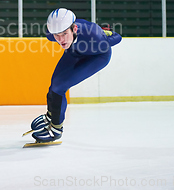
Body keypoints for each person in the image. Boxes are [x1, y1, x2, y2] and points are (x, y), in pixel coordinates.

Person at [30, 8, 122, 142]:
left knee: (60, 87)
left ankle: (56, 129)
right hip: (74, 52)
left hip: (97, 57)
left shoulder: (94, 35)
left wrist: (106, 32)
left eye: (64, 34)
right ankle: (51, 115)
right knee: (54, 84)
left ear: (75, 29)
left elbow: (117, 38)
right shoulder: (52, 35)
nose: (60, 39)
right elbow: (59, 36)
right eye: (57, 35)